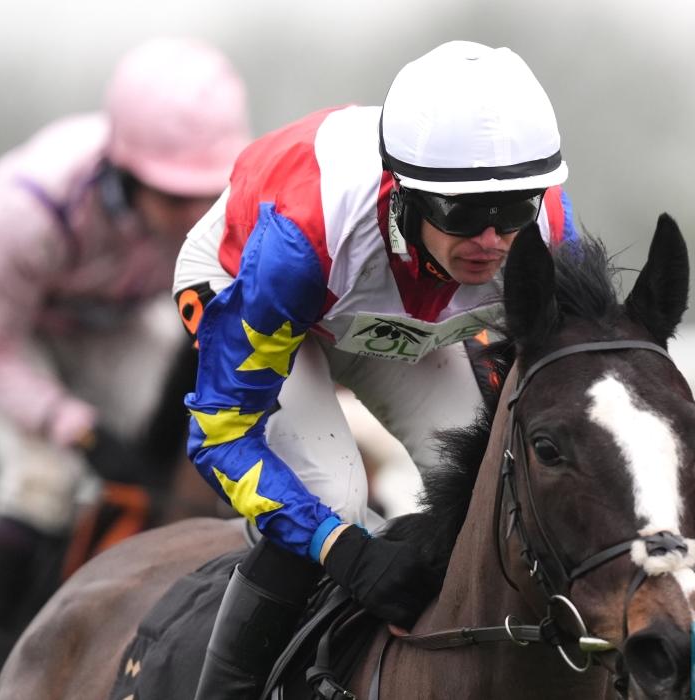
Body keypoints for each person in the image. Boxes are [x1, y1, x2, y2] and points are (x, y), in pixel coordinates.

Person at [174, 40, 579, 698]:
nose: (491, 242)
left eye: (513, 211)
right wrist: (342, 548)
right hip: (260, 282)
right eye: (463, 213)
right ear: (405, 193)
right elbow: (220, 436)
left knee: (489, 482)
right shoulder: (298, 245)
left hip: (386, 297)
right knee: (335, 497)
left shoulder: (548, 230)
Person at [0, 37, 251, 699]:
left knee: (194, 451)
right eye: (175, 197)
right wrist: (74, 426)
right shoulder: (18, 218)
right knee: (44, 480)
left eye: (207, 193)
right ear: (123, 171)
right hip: (1, 327)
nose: (197, 217)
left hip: (110, 319)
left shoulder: (204, 205)